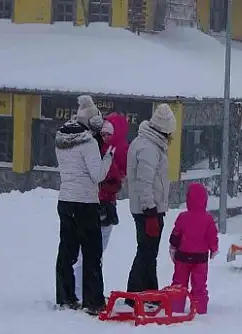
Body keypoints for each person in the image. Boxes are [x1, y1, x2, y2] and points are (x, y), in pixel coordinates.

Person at [54, 95, 114, 315]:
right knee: (92, 253)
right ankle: (93, 301)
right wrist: (108, 157)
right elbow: (97, 175)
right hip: (85, 203)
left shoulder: (61, 137)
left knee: (66, 252)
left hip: (65, 200)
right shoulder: (87, 141)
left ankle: (65, 297)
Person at [71, 113, 129, 302]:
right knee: (92, 253)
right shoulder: (108, 151)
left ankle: (84, 290)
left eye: (108, 134)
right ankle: (84, 292)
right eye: (103, 134)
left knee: (91, 252)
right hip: (98, 205)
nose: (105, 137)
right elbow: (110, 178)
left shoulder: (103, 148)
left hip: (99, 205)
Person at [125, 103, 176, 304]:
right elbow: (144, 183)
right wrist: (151, 211)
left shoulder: (148, 144)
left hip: (148, 208)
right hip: (148, 209)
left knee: (147, 252)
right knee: (146, 252)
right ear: (163, 130)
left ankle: (145, 293)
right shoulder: (148, 148)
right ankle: (137, 294)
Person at [168, 183, 219, 315]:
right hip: (200, 258)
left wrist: (173, 247)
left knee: (179, 282)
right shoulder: (208, 219)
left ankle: (177, 307)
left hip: (182, 256)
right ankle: (199, 307)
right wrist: (214, 249)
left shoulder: (182, 217)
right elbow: (212, 237)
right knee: (199, 284)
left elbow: (176, 234)